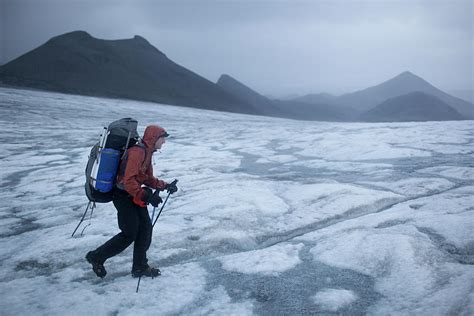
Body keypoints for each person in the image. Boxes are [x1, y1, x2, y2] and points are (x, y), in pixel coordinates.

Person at [86, 124, 178, 279]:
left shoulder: (148, 152)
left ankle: (140, 267)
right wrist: (147, 196)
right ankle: (96, 256)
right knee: (130, 233)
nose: (164, 142)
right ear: (154, 138)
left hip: (133, 195)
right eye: (162, 139)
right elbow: (128, 182)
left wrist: (165, 185)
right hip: (122, 196)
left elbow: (146, 178)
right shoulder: (137, 152)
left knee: (145, 230)